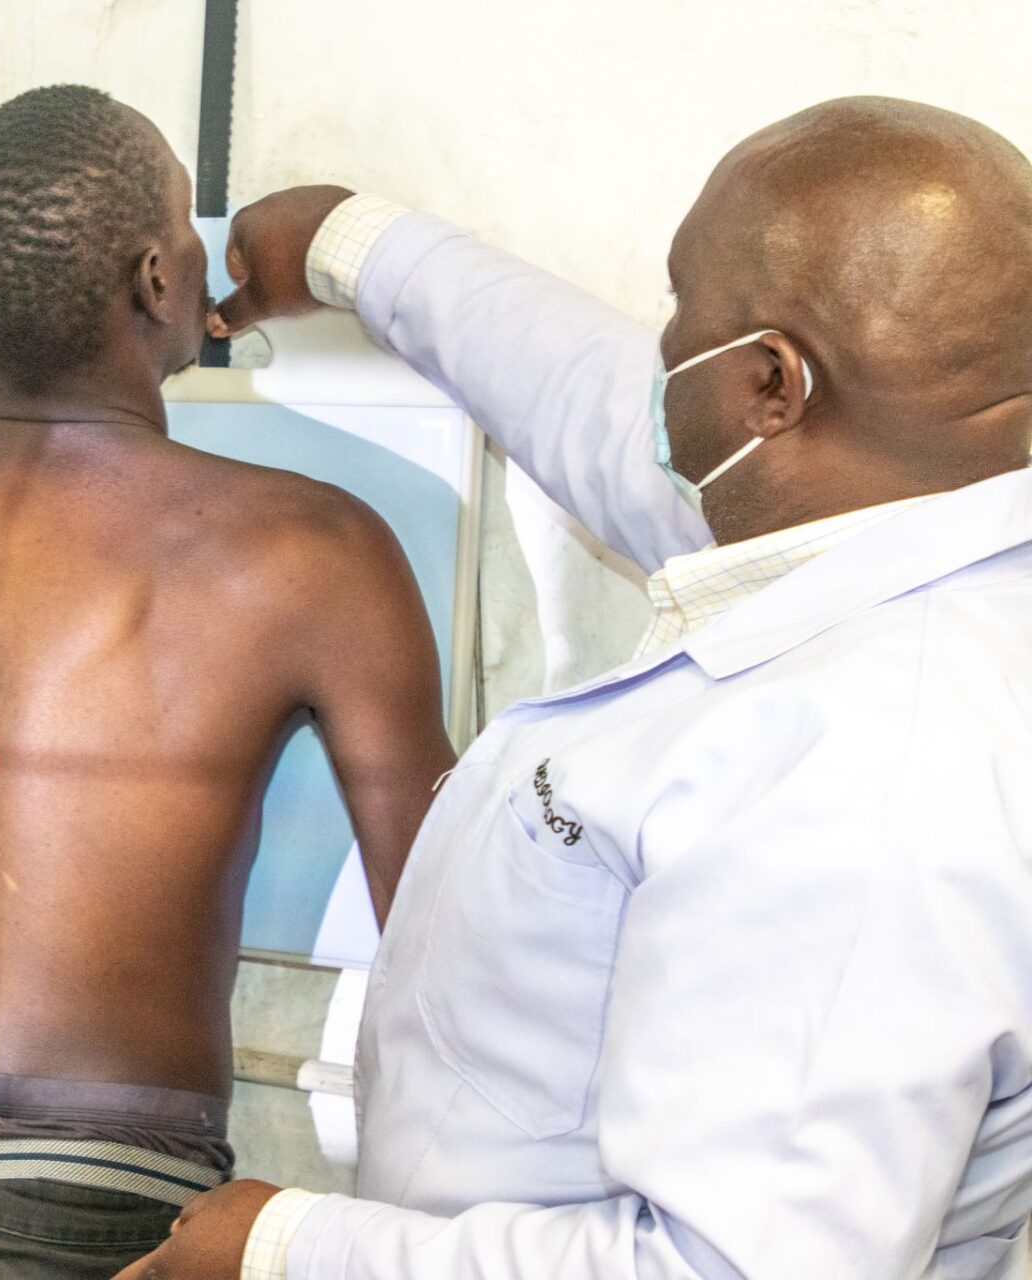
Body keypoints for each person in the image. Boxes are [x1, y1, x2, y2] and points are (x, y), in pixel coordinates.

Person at [120, 95, 1032, 1280]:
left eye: (679, 306)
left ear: (771, 387)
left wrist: (289, 1247)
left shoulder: (874, 771)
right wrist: (359, 245)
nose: (659, 343)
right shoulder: (893, 520)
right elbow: (605, 410)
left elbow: (728, 1269)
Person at [0, 85, 454, 1280]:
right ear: (159, 282)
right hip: (114, 1199)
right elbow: (445, 941)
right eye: (185, 225)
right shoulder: (313, 548)